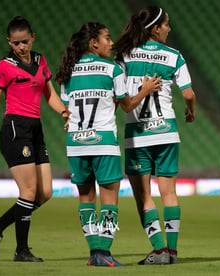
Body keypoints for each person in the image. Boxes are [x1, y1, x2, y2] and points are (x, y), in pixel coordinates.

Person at [55, 22, 161, 267]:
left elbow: (70, 111)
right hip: (103, 142)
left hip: (76, 143)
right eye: (107, 38)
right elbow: (127, 105)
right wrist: (144, 90)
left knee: (85, 198)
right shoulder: (112, 69)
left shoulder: (67, 71)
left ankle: (94, 253)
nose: (111, 43)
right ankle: (104, 251)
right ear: (94, 43)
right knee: (109, 199)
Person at [0, 16, 68, 262]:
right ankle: (21, 250)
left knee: (44, 193)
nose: (21, 47)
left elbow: (50, 95)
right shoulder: (4, 66)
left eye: (24, 41)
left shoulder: (40, 60)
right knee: (28, 190)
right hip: (15, 130)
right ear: (9, 42)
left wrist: (65, 111)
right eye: (15, 43)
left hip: (35, 130)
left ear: (33, 37)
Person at [113, 6, 197, 265]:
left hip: (138, 137)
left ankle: (158, 250)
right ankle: (171, 252)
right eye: (167, 24)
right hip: (167, 133)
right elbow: (188, 94)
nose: (169, 29)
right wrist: (190, 110)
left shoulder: (124, 56)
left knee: (143, 196)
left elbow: (119, 95)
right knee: (169, 193)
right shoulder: (174, 56)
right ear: (156, 28)